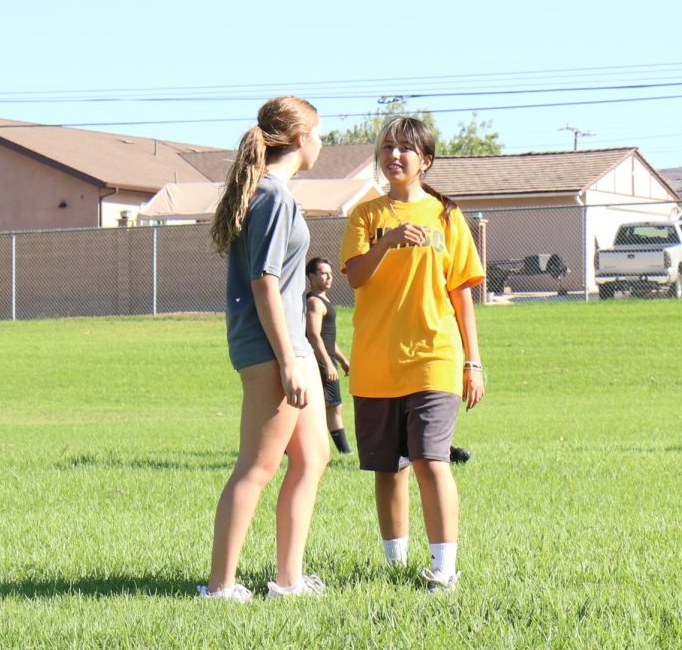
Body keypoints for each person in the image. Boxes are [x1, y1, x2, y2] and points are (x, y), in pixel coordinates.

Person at [339, 115, 485, 593]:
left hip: (434, 356)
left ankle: (444, 570)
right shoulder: (366, 215)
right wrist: (387, 241)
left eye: (405, 149)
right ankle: (395, 566)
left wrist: (473, 360)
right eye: (386, 147)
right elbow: (357, 276)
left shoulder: (447, 216)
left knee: (430, 460)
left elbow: (462, 291)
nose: (393, 156)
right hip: (376, 362)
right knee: (387, 468)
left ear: (426, 161)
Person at [200, 95, 330, 602]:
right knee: (257, 466)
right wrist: (288, 361)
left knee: (313, 456)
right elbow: (264, 284)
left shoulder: (271, 194)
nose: (321, 141)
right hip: (273, 350)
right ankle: (220, 587)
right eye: (319, 132)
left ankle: (289, 580)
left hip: (291, 346)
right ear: (300, 139)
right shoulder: (274, 197)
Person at [304, 257, 353, 455]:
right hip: (320, 361)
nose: (329, 277)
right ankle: (345, 452)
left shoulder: (323, 300)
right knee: (333, 407)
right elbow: (314, 335)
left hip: (327, 359)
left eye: (330, 273)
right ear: (311, 276)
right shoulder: (314, 302)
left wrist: (343, 361)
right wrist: (328, 364)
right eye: (324, 273)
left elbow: (328, 339)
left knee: (330, 406)